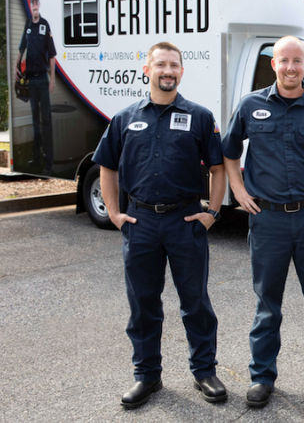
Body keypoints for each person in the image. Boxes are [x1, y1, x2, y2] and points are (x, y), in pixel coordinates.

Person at [93, 42, 228, 409]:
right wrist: (115, 213)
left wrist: (212, 212)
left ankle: (204, 371)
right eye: (161, 65)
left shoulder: (199, 117)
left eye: (174, 65)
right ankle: (147, 376)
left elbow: (217, 169)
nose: (167, 71)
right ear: (146, 70)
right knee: (143, 303)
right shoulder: (124, 119)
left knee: (195, 302)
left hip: (185, 221)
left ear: (182, 72)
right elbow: (108, 167)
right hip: (141, 222)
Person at [221, 36, 304, 407]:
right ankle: (262, 377)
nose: (291, 67)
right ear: (273, 64)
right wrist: (238, 192)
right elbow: (228, 153)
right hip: (269, 221)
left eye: (297, 61)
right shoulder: (251, 105)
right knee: (267, 305)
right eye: (284, 60)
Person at [16, 0, 56, 175]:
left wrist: (53, 79)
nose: (34, 6)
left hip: (42, 79)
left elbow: (52, 55)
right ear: (30, 5)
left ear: (39, 5)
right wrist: (16, 65)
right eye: (31, 3)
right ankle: (36, 159)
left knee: (46, 121)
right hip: (31, 80)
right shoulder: (28, 25)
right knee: (35, 121)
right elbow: (21, 47)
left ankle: (49, 163)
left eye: (36, 3)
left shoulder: (44, 25)